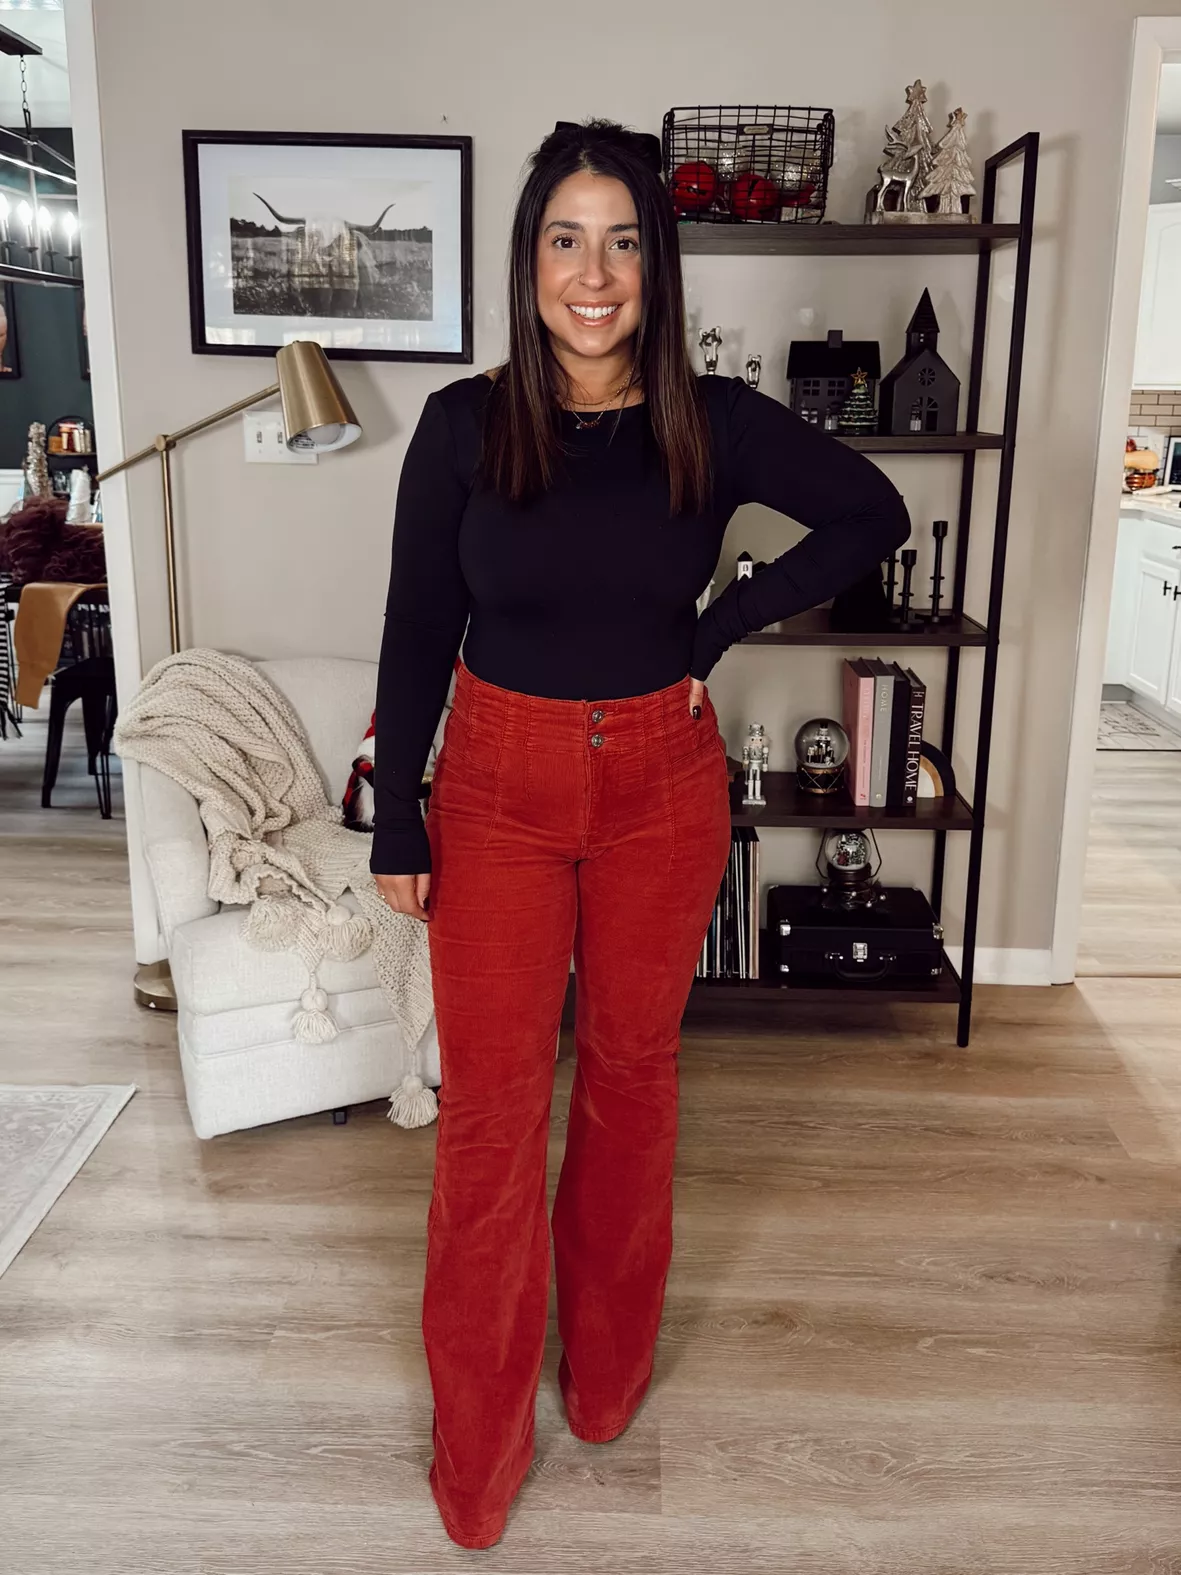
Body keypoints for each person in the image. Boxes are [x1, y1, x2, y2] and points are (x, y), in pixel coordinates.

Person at [371, 117, 910, 1550]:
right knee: (489, 1122)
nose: (593, 273)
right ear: (528, 261)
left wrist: (722, 620)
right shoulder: (464, 427)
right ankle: (476, 1458)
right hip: (492, 782)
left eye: (622, 241)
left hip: (660, 791)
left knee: (629, 1082)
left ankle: (602, 1384)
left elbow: (872, 508)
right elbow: (420, 623)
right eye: (566, 239)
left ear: (656, 268)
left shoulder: (712, 421)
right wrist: (397, 820)